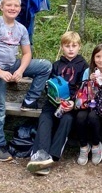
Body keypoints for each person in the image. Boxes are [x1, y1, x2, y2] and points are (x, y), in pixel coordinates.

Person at [0, 0, 52, 162]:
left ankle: (29, 100)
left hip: (12, 65)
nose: (12, 8)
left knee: (45, 66)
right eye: (9, 5)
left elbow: (27, 54)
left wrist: (19, 71)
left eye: (16, 5)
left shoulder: (21, 29)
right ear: (2, 7)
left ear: (20, 8)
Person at [26, 31, 88, 175]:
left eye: (74, 46)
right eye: (67, 46)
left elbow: (84, 88)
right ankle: (41, 154)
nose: (71, 49)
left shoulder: (83, 65)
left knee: (66, 120)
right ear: (62, 47)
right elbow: (49, 85)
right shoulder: (56, 65)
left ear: (79, 47)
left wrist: (72, 102)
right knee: (45, 118)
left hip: (71, 105)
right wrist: (52, 94)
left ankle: (52, 156)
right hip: (53, 102)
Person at [75, 43, 102, 166]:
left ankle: (96, 145)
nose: (101, 60)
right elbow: (84, 91)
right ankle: (84, 146)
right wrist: (90, 81)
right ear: (93, 58)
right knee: (80, 117)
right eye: (98, 56)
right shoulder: (88, 71)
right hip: (89, 102)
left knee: (93, 117)